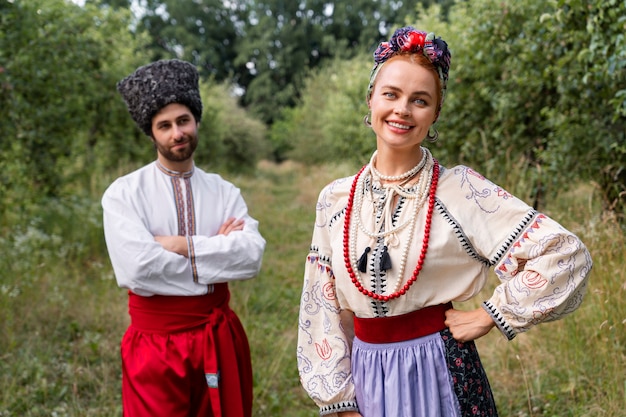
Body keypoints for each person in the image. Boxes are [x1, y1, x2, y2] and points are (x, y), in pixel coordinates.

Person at [296, 26, 592, 417]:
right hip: (366, 375)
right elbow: (322, 304)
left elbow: (564, 253)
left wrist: (489, 315)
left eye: (420, 100)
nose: (402, 109)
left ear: (435, 113)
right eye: (391, 94)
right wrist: (339, 401)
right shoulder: (335, 199)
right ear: (370, 99)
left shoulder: (460, 191)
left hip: (441, 371)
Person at [102, 59, 266, 417]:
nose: (177, 133)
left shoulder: (224, 191)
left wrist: (179, 245)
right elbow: (138, 269)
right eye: (165, 125)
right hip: (154, 346)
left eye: (183, 121)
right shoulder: (124, 194)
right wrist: (216, 253)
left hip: (218, 336)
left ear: (196, 122)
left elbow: (250, 256)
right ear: (151, 133)